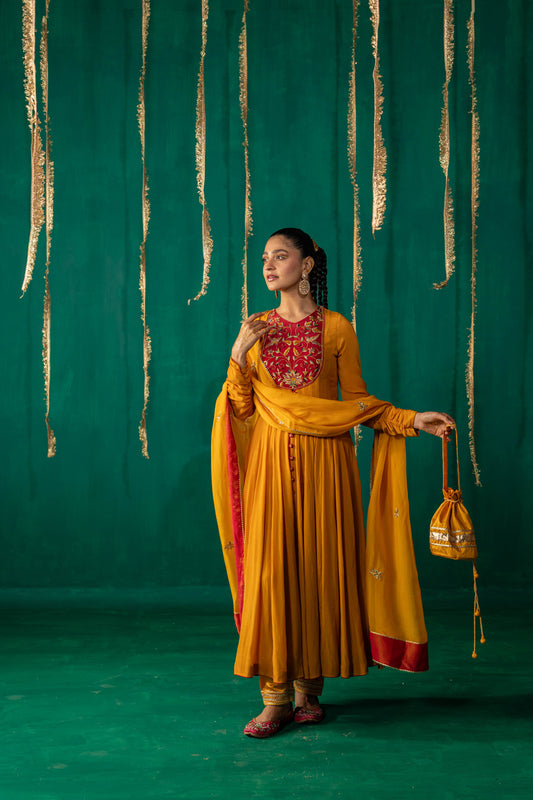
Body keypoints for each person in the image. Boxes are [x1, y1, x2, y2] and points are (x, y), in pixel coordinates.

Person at [211, 227, 454, 739]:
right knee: (274, 573)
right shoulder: (254, 329)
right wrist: (237, 356)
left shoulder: (337, 328)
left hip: (329, 468)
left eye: (281, 257)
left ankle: (309, 692)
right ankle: (274, 699)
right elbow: (241, 409)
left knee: (321, 569)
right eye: (264, 259)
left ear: (308, 265)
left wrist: (411, 420)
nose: (269, 266)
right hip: (272, 469)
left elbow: (358, 403)